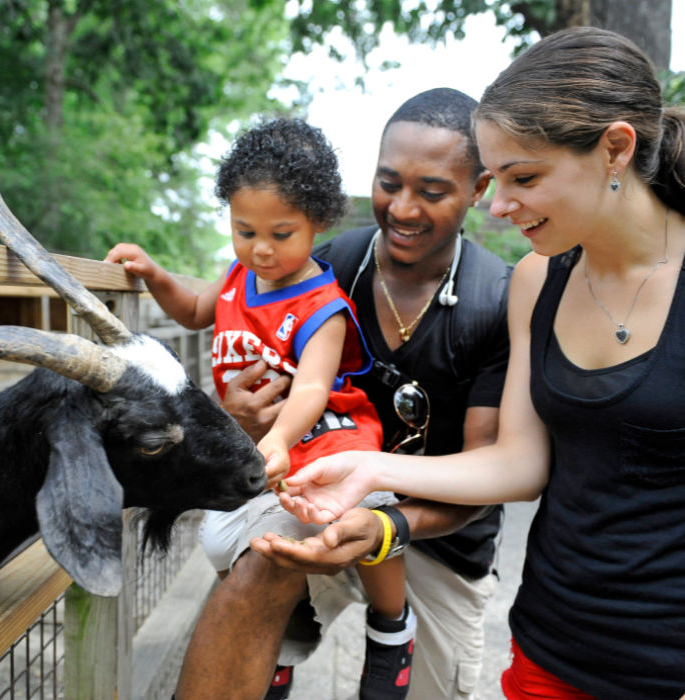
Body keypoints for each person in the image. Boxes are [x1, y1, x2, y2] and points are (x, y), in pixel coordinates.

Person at [278, 28, 685, 700]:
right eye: (494, 181)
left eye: (525, 178)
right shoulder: (534, 281)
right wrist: (372, 469)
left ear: (615, 147)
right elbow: (519, 465)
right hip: (551, 650)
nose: (496, 206)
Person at [175, 88, 511, 700]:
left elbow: (490, 476)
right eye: (388, 183)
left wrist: (385, 528)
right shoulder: (324, 265)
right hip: (318, 499)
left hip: (433, 535)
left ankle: (393, 636)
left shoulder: (497, 303)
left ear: (478, 189)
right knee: (256, 566)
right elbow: (249, 354)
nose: (402, 208)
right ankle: (270, 656)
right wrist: (242, 421)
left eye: (432, 192)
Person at [105, 117, 417, 699]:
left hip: (324, 431)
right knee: (230, 542)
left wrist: (278, 439)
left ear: (318, 223)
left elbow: (311, 390)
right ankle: (271, 646)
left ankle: (392, 624)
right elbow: (195, 311)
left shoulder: (321, 305)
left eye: (281, 232)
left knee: (370, 501)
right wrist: (153, 276)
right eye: (244, 230)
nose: (261, 248)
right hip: (262, 442)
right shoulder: (235, 276)